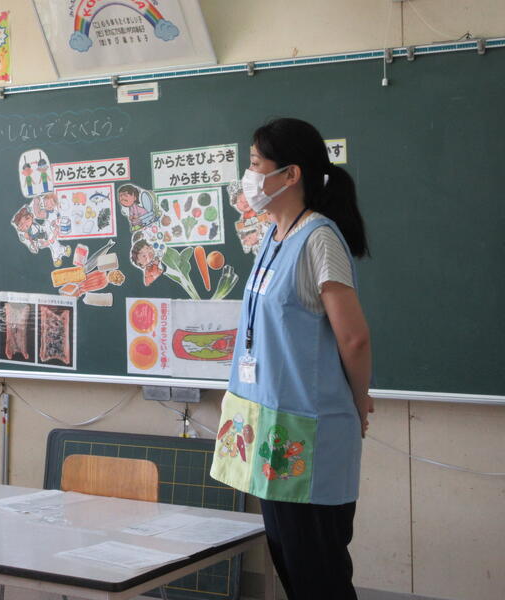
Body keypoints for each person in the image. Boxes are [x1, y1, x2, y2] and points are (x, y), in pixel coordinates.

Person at [210, 118, 373, 600]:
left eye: (255, 164)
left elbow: (354, 338)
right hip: (270, 431)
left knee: (319, 578)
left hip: (310, 432)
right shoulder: (273, 235)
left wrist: (359, 401)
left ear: (291, 174)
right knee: (293, 572)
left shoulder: (319, 238)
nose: (248, 176)